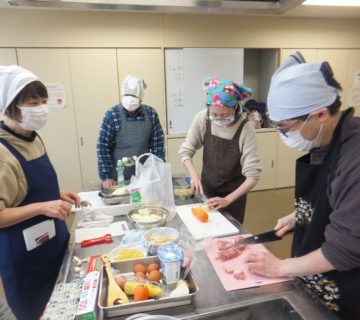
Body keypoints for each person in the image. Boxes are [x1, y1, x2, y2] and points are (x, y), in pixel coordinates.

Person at [244, 52, 360, 319]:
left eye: (285, 128)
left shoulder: (354, 160)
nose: (283, 135)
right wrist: (304, 214)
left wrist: (280, 268)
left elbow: (343, 252)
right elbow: (336, 199)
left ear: (319, 115)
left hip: (346, 295)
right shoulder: (326, 141)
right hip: (315, 280)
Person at [0, 65, 80, 320]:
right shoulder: (2, 152)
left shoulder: (32, 137)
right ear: (9, 105)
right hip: (24, 257)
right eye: (33, 102)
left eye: (44, 101)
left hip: (51, 241)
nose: (41, 108)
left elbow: (28, 189)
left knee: (60, 305)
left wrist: (58, 196)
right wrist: (43, 207)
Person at [178, 76, 262, 223]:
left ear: (235, 107)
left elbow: (253, 176)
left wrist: (228, 199)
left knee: (230, 238)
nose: (218, 119)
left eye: (224, 115)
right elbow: (186, 151)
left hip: (233, 197)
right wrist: (194, 175)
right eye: (214, 114)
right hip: (206, 190)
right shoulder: (202, 118)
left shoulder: (245, 128)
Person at [97, 75, 165, 189]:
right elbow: (102, 147)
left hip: (145, 177)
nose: (130, 98)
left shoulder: (151, 114)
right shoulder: (112, 115)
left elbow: (158, 146)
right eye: (127, 95)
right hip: (118, 178)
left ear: (141, 97)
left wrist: (158, 172)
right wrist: (107, 177)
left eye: (133, 95)